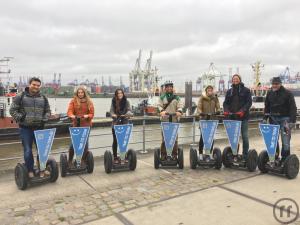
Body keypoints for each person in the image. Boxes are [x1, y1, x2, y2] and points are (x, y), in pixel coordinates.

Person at [10, 77, 51, 178]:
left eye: (38, 85)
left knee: (41, 150)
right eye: (34, 85)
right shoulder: (21, 96)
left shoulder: (43, 97)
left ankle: (42, 169)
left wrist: (44, 118)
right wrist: (22, 118)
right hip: (25, 129)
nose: (36, 87)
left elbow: (48, 111)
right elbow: (12, 110)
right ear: (29, 84)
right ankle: (30, 170)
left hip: (39, 128)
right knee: (28, 150)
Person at [264, 77, 297, 162]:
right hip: (273, 119)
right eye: (273, 84)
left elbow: (293, 108)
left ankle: (285, 159)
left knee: (285, 140)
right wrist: (265, 117)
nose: (274, 85)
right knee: (273, 140)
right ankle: (274, 156)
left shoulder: (288, 93)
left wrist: (292, 121)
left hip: (285, 120)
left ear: (280, 84)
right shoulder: (270, 93)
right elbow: (267, 106)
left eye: (276, 84)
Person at [223, 74, 252, 160]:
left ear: (240, 80)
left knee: (245, 136)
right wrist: (226, 110)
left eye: (237, 79)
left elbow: (249, 102)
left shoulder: (246, 90)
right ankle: (234, 153)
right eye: (234, 79)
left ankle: (245, 154)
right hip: (232, 117)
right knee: (233, 137)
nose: (235, 80)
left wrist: (243, 111)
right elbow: (225, 103)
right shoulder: (229, 91)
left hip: (243, 117)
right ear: (232, 81)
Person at [67, 86, 94, 167]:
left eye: (82, 92)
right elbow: (69, 111)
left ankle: (82, 160)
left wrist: (87, 116)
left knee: (85, 143)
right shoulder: (73, 101)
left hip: (86, 125)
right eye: (79, 93)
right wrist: (72, 116)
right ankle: (70, 160)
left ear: (84, 93)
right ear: (77, 93)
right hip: (76, 125)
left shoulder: (89, 101)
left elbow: (92, 113)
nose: (80, 94)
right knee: (73, 144)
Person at [157, 80, 183, 160]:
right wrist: (161, 111)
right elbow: (159, 106)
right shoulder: (162, 97)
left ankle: (175, 155)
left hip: (174, 120)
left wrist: (179, 111)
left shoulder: (176, 98)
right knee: (165, 138)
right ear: (165, 88)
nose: (169, 88)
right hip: (165, 121)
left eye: (170, 87)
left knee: (174, 139)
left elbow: (180, 105)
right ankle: (163, 155)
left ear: (172, 88)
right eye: (167, 87)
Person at [110, 88, 133, 163]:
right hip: (116, 124)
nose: (120, 94)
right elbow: (111, 110)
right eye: (118, 93)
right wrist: (113, 114)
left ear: (123, 94)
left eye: (121, 93)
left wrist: (128, 114)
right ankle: (115, 157)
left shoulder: (126, 102)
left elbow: (129, 110)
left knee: (124, 141)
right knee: (115, 141)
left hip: (124, 123)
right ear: (116, 95)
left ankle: (124, 156)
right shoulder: (113, 101)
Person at [197, 85, 221, 155]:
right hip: (204, 119)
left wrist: (218, 111)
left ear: (212, 90)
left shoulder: (215, 98)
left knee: (211, 137)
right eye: (208, 89)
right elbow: (199, 107)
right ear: (206, 90)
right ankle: (200, 153)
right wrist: (200, 113)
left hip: (212, 120)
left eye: (211, 89)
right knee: (202, 137)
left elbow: (218, 106)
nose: (210, 90)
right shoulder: (202, 98)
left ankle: (209, 153)